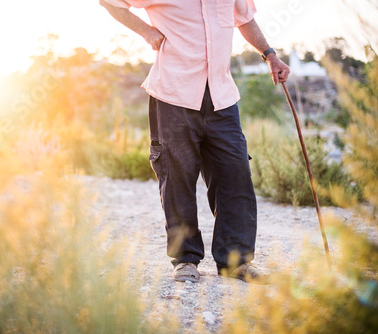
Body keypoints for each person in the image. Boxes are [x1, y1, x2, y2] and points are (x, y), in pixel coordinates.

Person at [100, 0, 290, 283]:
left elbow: (245, 18)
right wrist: (146, 32)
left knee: (234, 173)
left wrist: (269, 54)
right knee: (177, 177)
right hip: (173, 93)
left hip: (222, 96)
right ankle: (186, 260)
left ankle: (235, 262)